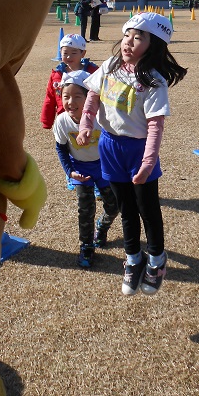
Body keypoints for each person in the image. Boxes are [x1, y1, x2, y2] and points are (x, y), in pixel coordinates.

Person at [77, 12, 187, 296]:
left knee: (147, 210)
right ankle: (133, 258)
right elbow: (93, 93)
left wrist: (149, 162)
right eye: (127, 35)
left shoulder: (154, 81)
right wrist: (87, 123)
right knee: (125, 209)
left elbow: (155, 125)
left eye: (138, 38)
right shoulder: (112, 65)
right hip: (110, 147)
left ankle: (156, 259)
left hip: (138, 151)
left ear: (154, 45)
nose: (128, 42)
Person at [53, 71, 118, 268]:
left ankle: (103, 226)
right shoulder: (62, 121)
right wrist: (69, 171)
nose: (71, 102)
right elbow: (61, 148)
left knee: (114, 206)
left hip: (104, 166)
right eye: (66, 96)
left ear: (88, 98)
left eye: (77, 96)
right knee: (85, 209)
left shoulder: (100, 117)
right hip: (81, 169)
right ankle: (86, 246)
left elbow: (114, 141)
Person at [40, 34, 98, 129]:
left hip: (90, 121)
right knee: (65, 142)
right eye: (65, 53)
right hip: (65, 121)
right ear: (60, 52)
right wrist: (47, 121)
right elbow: (50, 98)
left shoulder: (93, 72)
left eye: (74, 53)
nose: (69, 57)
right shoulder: (56, 75)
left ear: (83, 53)